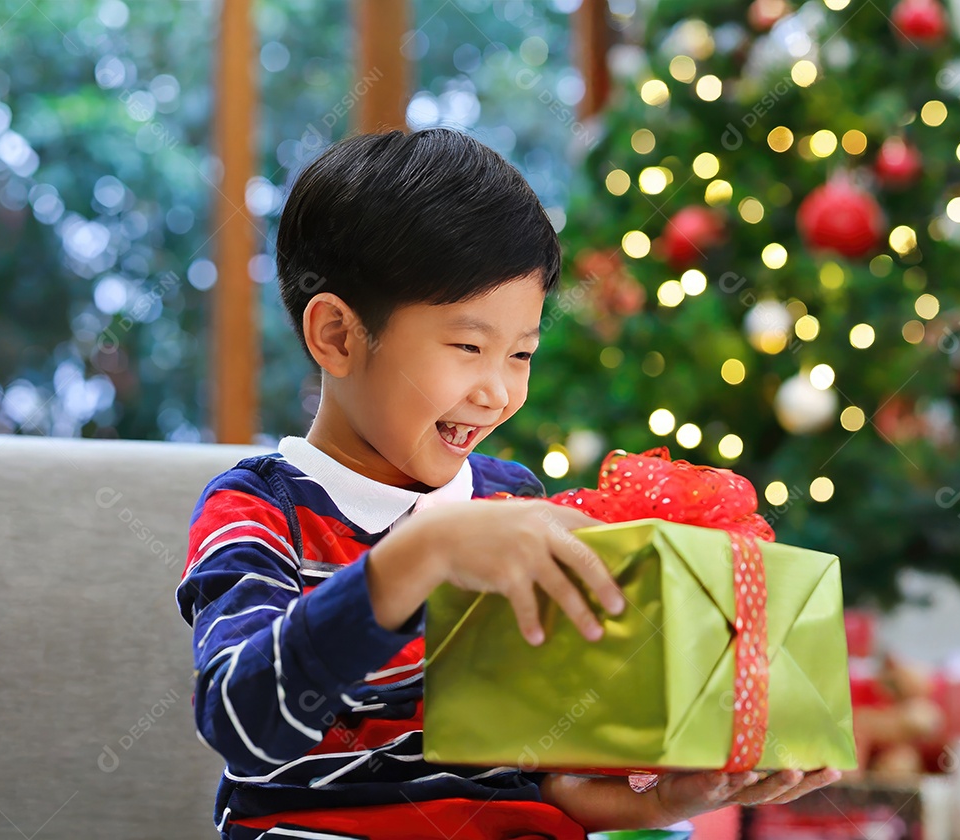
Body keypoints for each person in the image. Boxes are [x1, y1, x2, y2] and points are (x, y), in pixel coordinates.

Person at [175, 128, 839, 840]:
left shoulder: (512, 500)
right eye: (468, 346)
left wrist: (658, 801)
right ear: (338, 335)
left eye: (520, 354)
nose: (497, 392)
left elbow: (530, 768)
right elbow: (240, 720)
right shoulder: (260, 509)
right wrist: (420, 556)